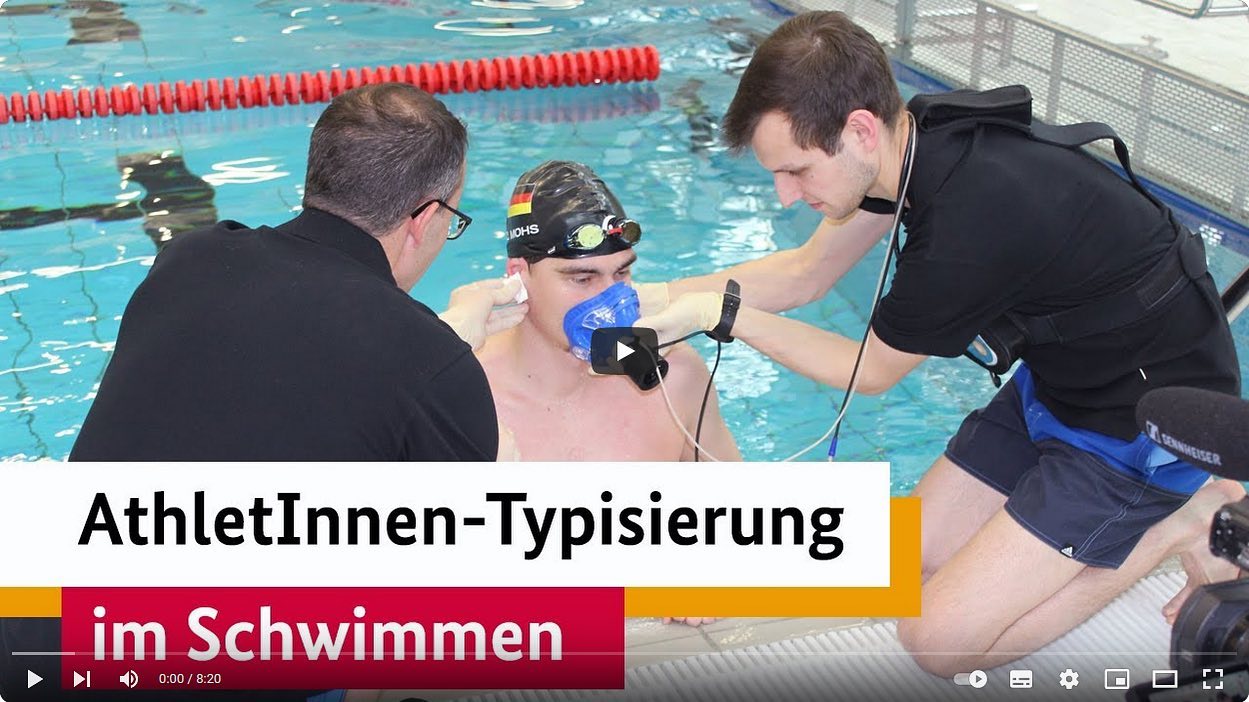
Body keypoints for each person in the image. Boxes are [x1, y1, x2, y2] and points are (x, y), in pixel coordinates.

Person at [633, 11, 1243, 675]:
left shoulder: (970, 222)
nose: (785, 196)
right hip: (1058, 389)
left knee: (937, 643)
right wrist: (654, 299)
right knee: (896, 560)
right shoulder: (911, 143)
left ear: (859, 129)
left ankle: (1182, 521)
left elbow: (866, 371)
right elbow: (804, 273)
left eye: (797, 171)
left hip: (1139, 428)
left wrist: (720, 315)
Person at [70, 82, 524, 461]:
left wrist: (445, 337)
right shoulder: (432, 365)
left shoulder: (188, 259)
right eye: (452, 218)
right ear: (423, 220)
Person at [475, 160, 740, 463]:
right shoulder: (467, 394)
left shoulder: (676, 378)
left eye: (621, 273)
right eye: (583, 279)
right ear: (518, 275)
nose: (610, 299)